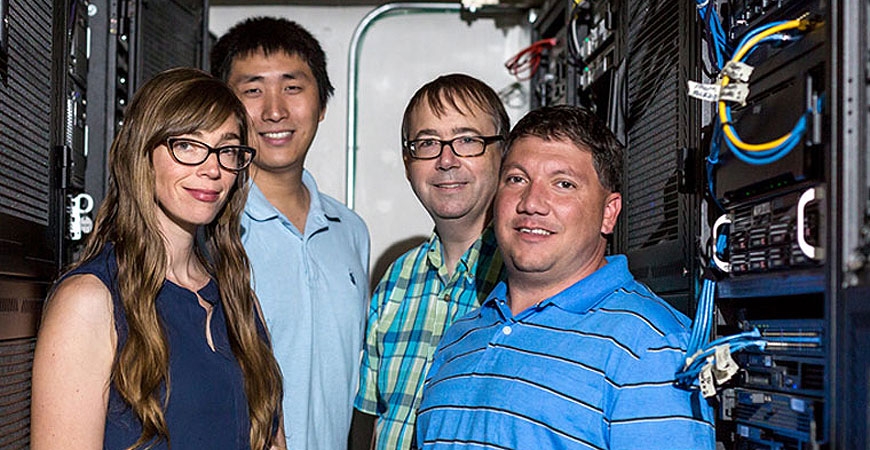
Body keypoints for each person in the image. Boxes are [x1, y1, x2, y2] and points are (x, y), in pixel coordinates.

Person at [416, 105, 716, 449]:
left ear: (608, 213)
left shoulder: (652, 348)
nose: (532, 203)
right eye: (517, 179)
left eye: (563, 184)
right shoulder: (461, 337)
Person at [30, 68, 284, 449]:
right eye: (187, 145)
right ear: (143, 154)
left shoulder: (240, 303)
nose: (212, 168)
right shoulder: (90, 302)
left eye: (227, 149)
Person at [210, 17, 371, 450]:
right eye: (252, 90)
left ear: (321, 104)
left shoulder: (351, 231)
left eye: (293, 87)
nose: (275, 110)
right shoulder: (207, 229)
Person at [352, 74, 509, 450]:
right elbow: (372, 425)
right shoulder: (395, 281)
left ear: (504, 153)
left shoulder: (529, 278)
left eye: (467, 140)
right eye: (427, 143)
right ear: (408, 163)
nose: (446, 160)